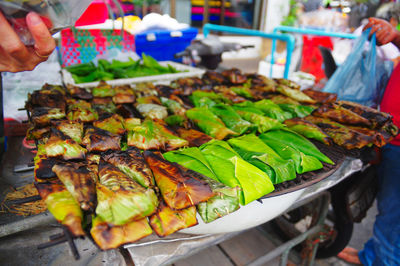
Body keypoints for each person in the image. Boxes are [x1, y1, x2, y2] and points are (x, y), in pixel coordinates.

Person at [338, 17, 400, 265]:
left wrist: (394, 35)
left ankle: (383, 260)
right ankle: (372, 255)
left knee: (394, 214)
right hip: (393, 138)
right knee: (389, 211)